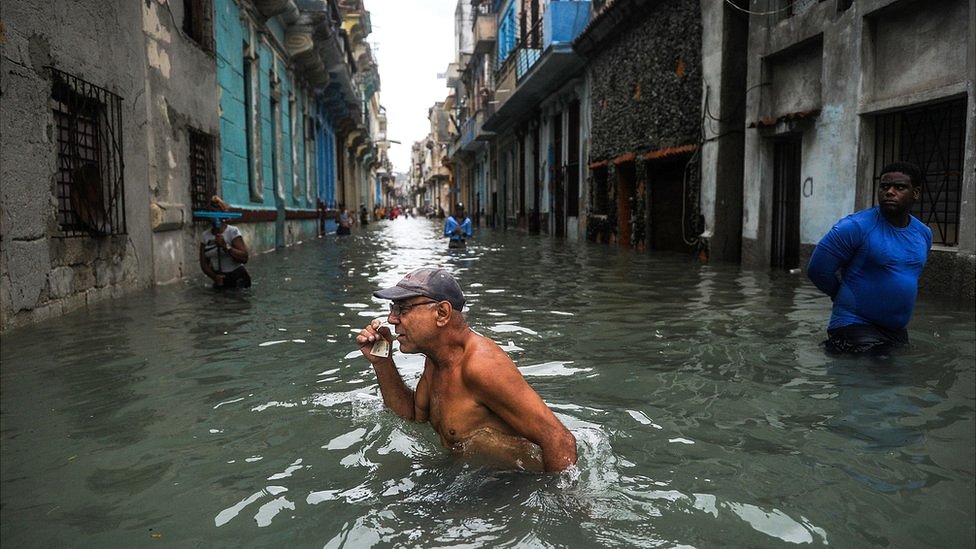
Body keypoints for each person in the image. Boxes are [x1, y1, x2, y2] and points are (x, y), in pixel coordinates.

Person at [356, 267, 577, 472]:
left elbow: (559, 440)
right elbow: (413, 415)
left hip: (514, 484)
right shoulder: (436, 361)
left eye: (402, 309)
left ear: (442, 313)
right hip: (473, 475)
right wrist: (382, 362)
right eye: (393, 308)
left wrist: (559, 498)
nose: (391, 319)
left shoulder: (481, 366)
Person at [807, 162, 932, 354]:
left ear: (915, 193)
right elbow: (817, 270)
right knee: (876, 371)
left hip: (895, 330)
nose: (889, 192)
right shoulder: (854, 227)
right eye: (884, 187)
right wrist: (840, 295)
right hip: (854, 325)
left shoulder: (923, 233)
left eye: (899, 187)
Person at [199, 195, 251, 289]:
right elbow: (204, 264)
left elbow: (244, 257)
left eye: (214, 211)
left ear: (222, 213)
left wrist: (225, 247)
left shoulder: (232, 232)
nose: (212, 215)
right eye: (209, 211)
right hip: (219, 280)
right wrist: (214, 277)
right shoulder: (205, 236)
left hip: (238, 278)